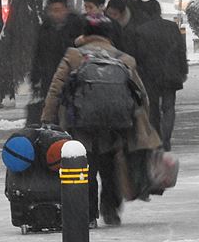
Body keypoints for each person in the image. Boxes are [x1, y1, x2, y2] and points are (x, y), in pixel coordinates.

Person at [40, 14, 162, 227]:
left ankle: (88, 214)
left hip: (80, 123)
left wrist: (47, 118)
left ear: (85, 33)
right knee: (111, 167)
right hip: (115, 124)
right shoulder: (123, 59)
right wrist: (142, 124)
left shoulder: (74, 56)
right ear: (109, 35)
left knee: (84, 166)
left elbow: (55, 88)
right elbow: (141, 95)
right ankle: (110, 210)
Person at [134, 0, 188, 151]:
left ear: (146, 13)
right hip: (170, 73)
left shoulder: (141, 30)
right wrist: (183, 70)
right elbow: (181, 51)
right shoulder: (171, 27)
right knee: (169, 107)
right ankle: (167, 138)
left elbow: (140, 55)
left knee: (153, 108)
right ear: (159, 11)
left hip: (150, 75)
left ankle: (157, 138)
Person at [27, 0, 83, 125]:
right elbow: (38, 54)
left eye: (58, 9)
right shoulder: (45, 28)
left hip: (72, 80)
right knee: (52, 115)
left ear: (66, 9)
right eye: (52, 10)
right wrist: (35, 78)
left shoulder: (77, 26)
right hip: (49, 79)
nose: (55, 14)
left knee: (70, 116)